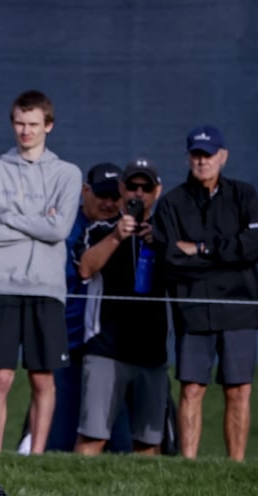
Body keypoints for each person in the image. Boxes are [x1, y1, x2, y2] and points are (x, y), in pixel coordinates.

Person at [0, 90, 81, 454]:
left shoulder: (67, 174)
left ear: (48, 125)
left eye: (33, 124)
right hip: (2, 285)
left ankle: (36, 454)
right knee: (0, 376)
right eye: (20, 123)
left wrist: (10, 216)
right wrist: (38, 221)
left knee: (42, 376)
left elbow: (59, 230)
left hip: (47, 289)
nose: (25, 131)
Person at [152, 126, 258, 462]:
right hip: (193, 308)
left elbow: (254, 248)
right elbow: (170, 258)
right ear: (188, 157)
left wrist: (201, 248)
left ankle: (237, 463)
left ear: (223, 156)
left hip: (241, 306)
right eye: (197, 155)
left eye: (209, 154)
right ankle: (189, 464)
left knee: (239, 389)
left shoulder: (244, 196)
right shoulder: (173, 203)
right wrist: (227, 256)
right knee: (191, 388)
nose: (203, 161)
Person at [18, 162, 133, 453]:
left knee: (121, 441)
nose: (108, 203)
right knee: (59, 437)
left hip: (110, 345)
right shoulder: (64, 226)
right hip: (64, 342)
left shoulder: (129, 230)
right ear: (85, 191)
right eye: (101, 195)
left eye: (114, 197)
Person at [74, 158, 168, 455]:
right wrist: (118, 235)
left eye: (146, 187)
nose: (138, 194)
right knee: (92, 436)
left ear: (157, 191)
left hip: (152, 351)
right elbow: (86, 269)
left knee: (149, 441)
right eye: (132, 187)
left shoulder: (166, 232)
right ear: (122, 188)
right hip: (107, 348)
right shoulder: (100, 229)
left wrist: (161, 243)